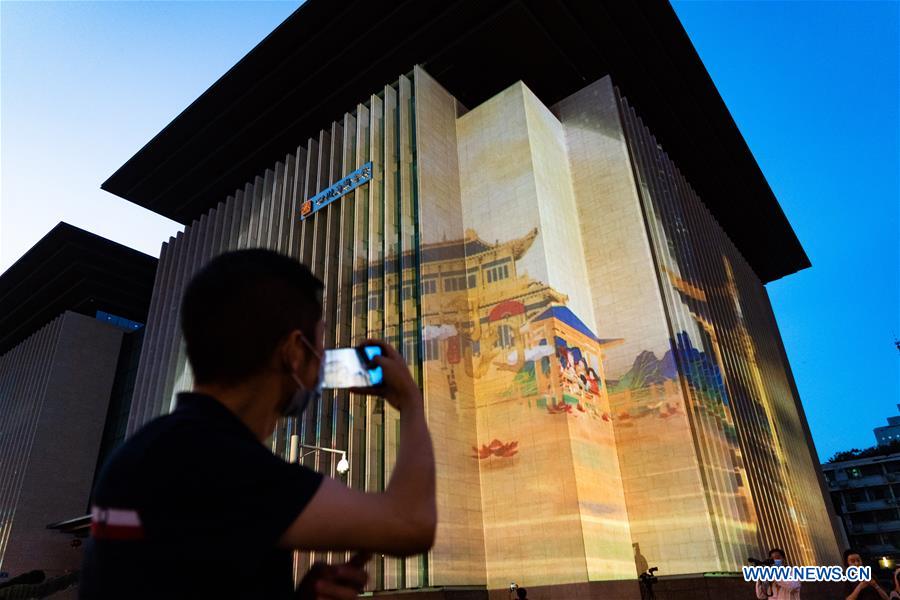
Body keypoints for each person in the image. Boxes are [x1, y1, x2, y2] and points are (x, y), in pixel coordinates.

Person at [79, 249, 437, 599]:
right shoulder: (231, 468)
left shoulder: (136, 455)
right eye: (321, 342)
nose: (322, 361)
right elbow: (412, 524)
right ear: (295, 352)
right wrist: (410, 401)